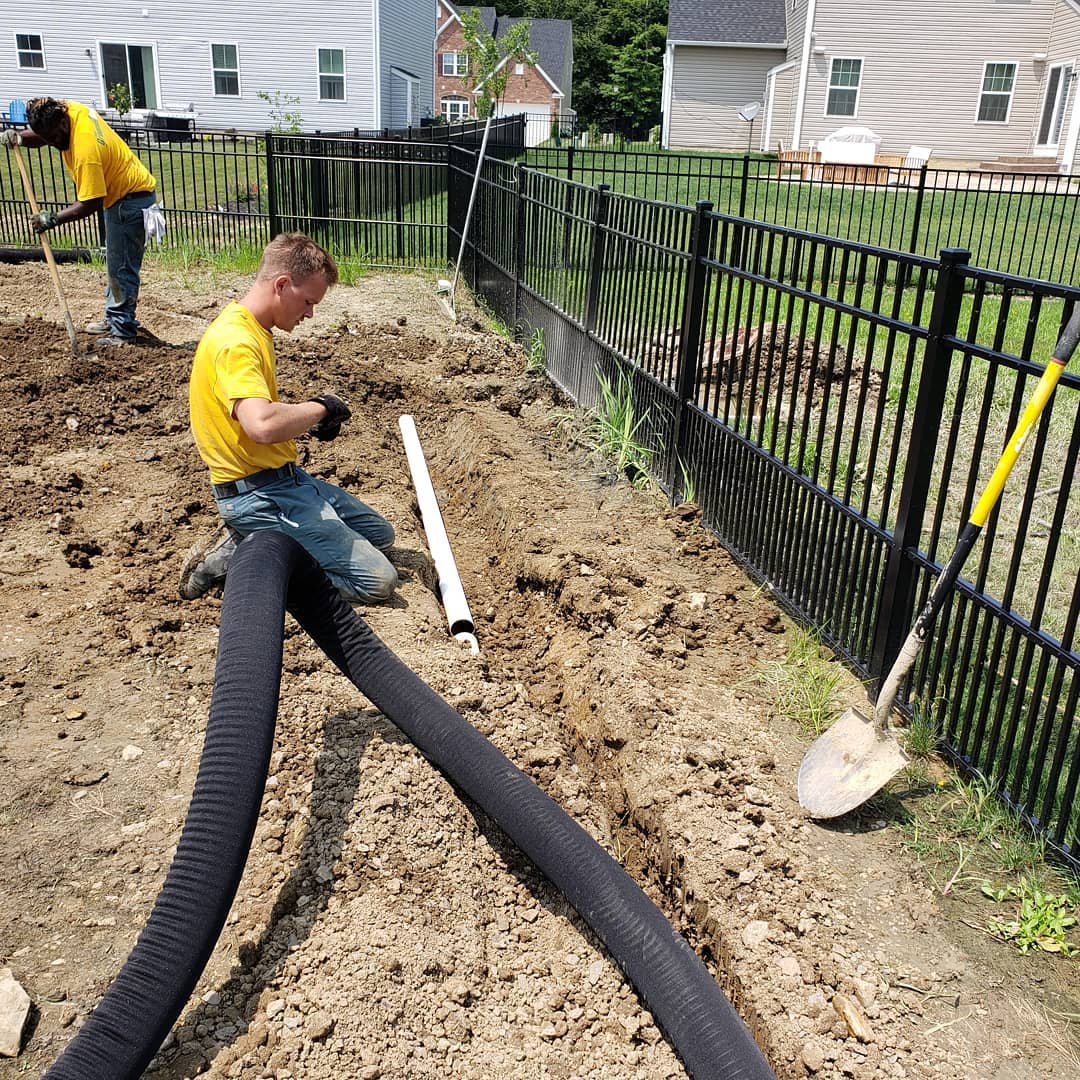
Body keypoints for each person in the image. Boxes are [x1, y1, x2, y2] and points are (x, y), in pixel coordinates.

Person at [180, 231, 399, 604]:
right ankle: (249, 561)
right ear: (281, 285)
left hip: (284, 481)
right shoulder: (236, 342)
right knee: (377, 581)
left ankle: (257, 541)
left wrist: (311, 414)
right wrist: (321, 407)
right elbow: (262, 425)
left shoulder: (253, 328)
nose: (310, 314)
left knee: (381, 536)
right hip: (257, 495)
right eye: (308, 302)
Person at [0, 96, 158, 346]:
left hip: (128, 203)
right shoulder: (69, 110)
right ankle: (114, 318)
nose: (53, 144)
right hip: (124, 195)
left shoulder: (86, 150)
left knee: (121, 270)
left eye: (54, 137)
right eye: (47, 139)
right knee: (116, 265)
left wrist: (52, 219)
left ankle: (123, 332)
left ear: (63, 123)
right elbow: (44, 134)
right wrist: (20, 138)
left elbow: (90, 203)